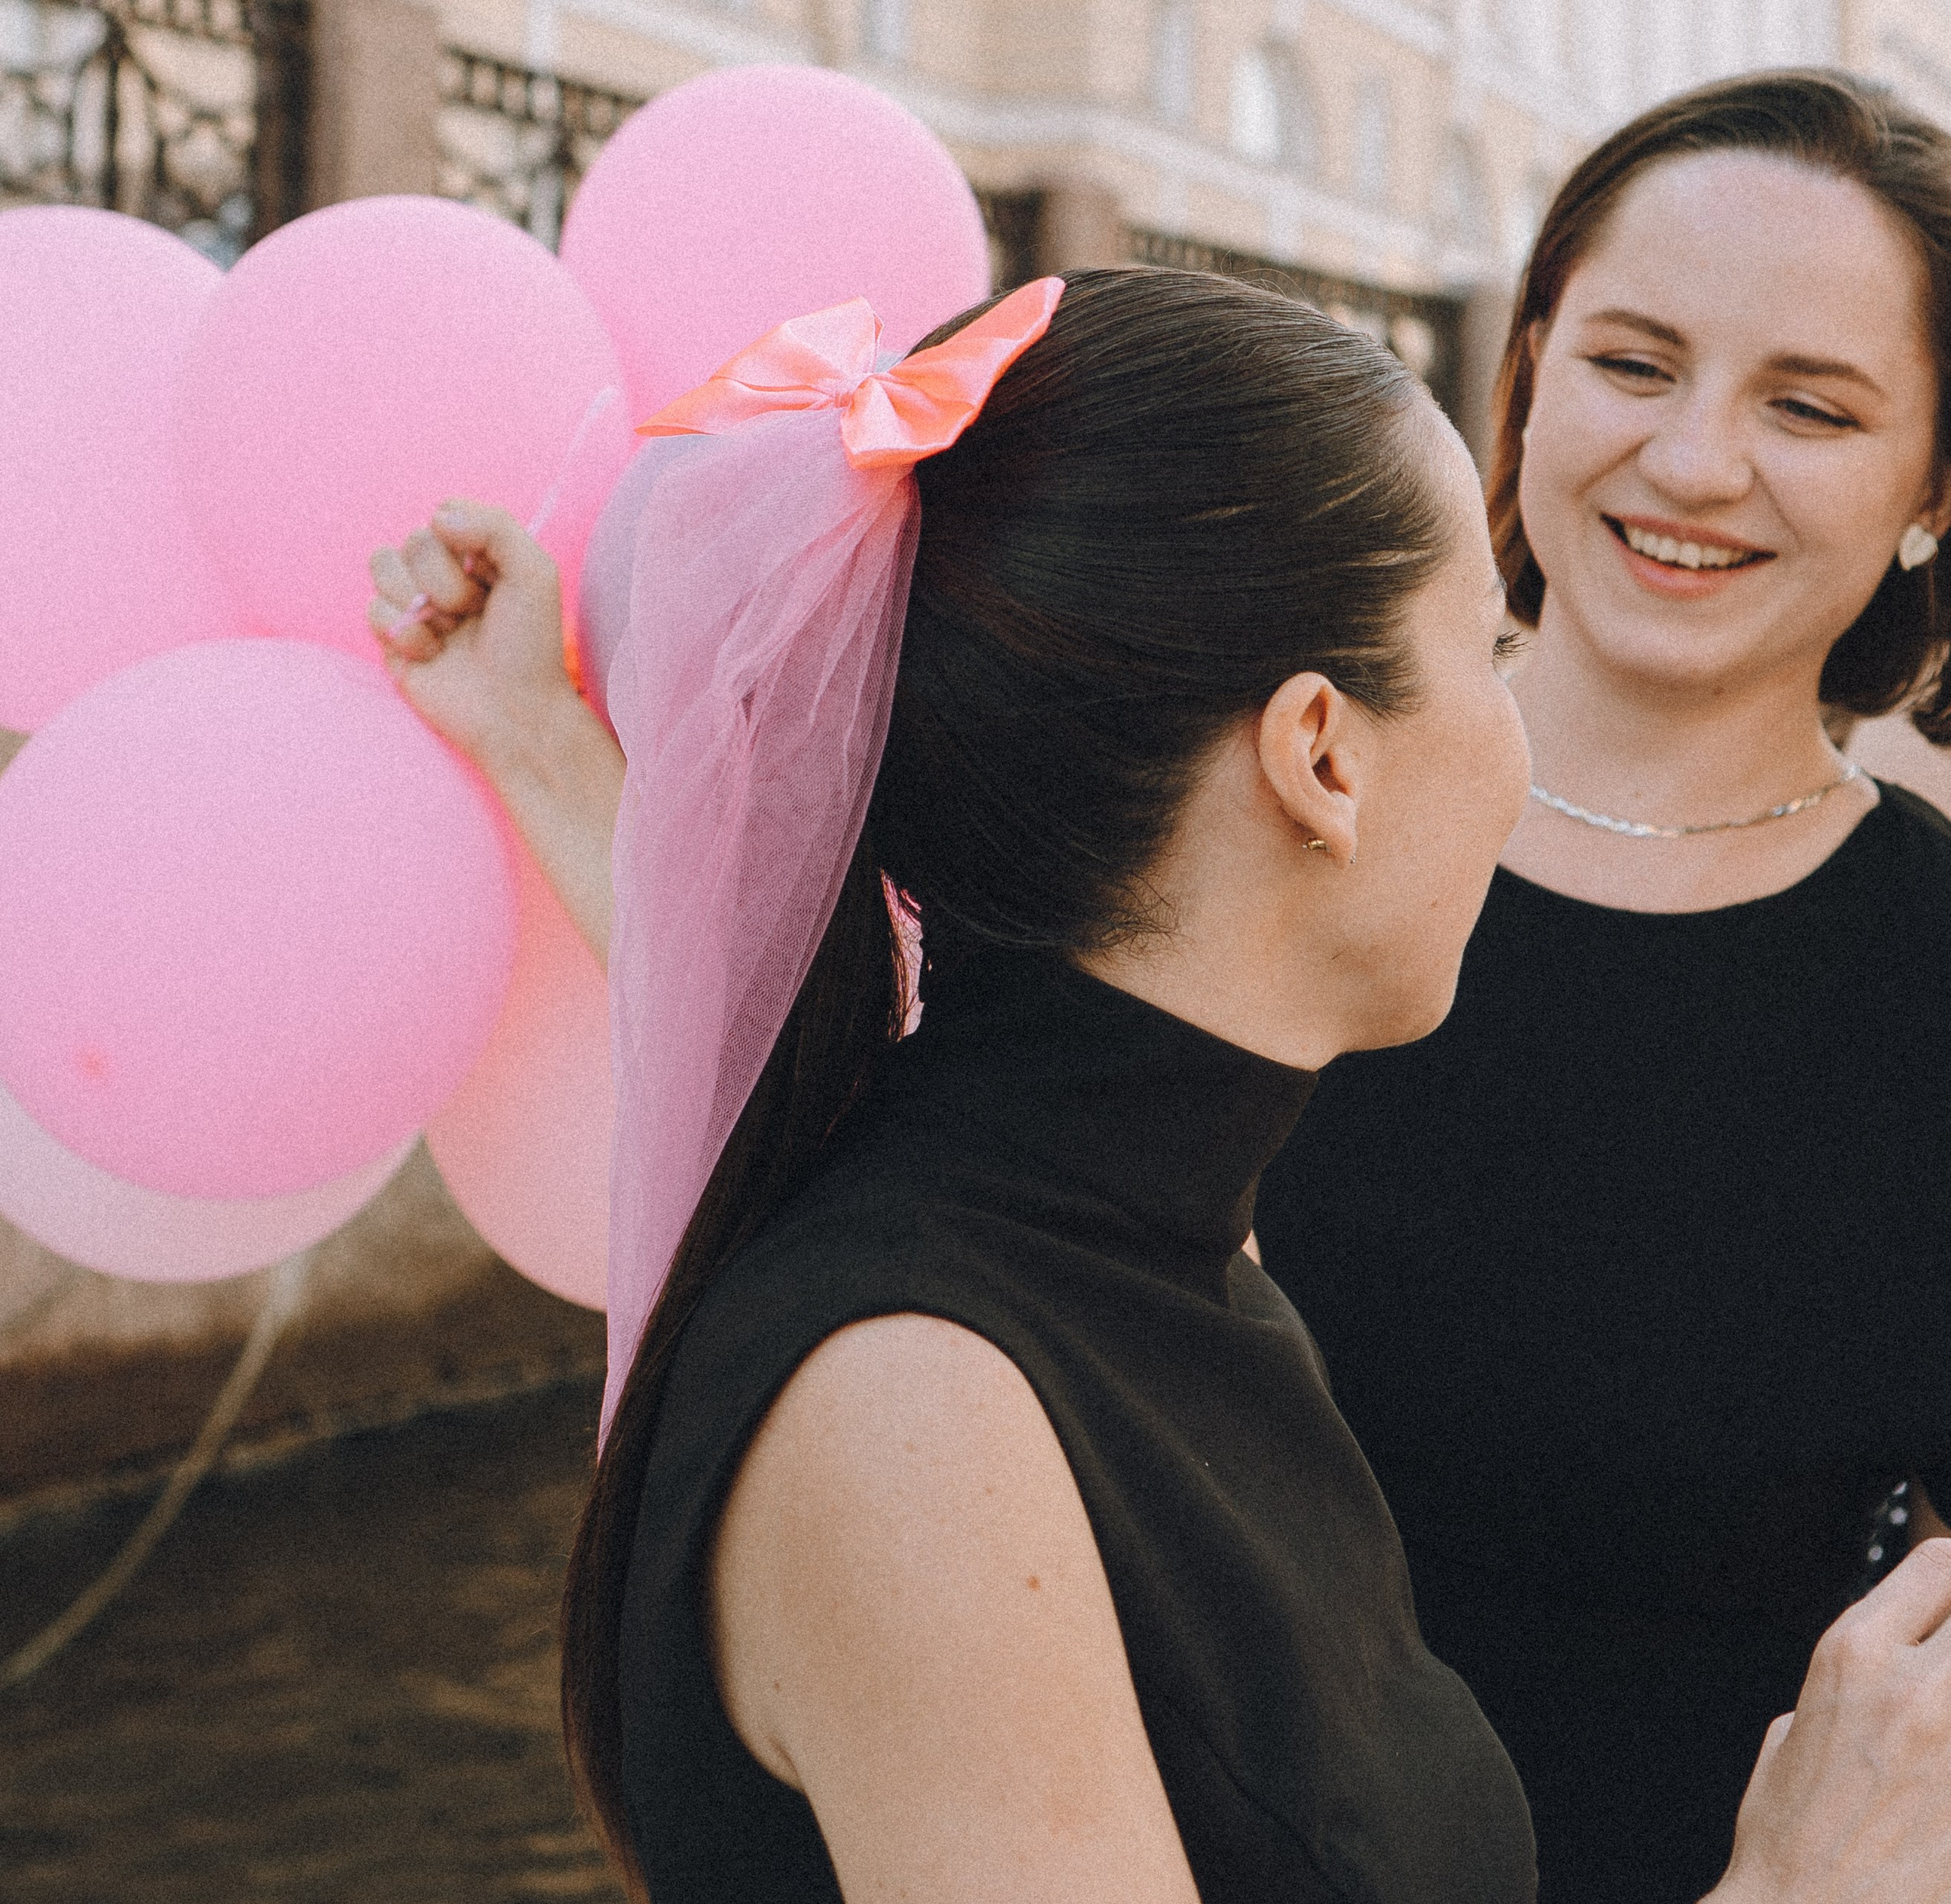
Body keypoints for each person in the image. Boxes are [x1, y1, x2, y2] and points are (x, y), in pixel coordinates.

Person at [370, 260, 1951, 1904]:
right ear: (1317, 756)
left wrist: (537, 742)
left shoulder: (1148, 1237)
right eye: (1484, 647)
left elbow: (755, 1033)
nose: (1520, 743)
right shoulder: (917, 1410)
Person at [1254, 70, 1951, 1904]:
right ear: (1529, 374)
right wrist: (535, 733)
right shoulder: (1256, 794)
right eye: (1633, 365)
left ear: (1928, 490)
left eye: (1807, 405)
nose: (1695, 461)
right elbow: (880, 1124)